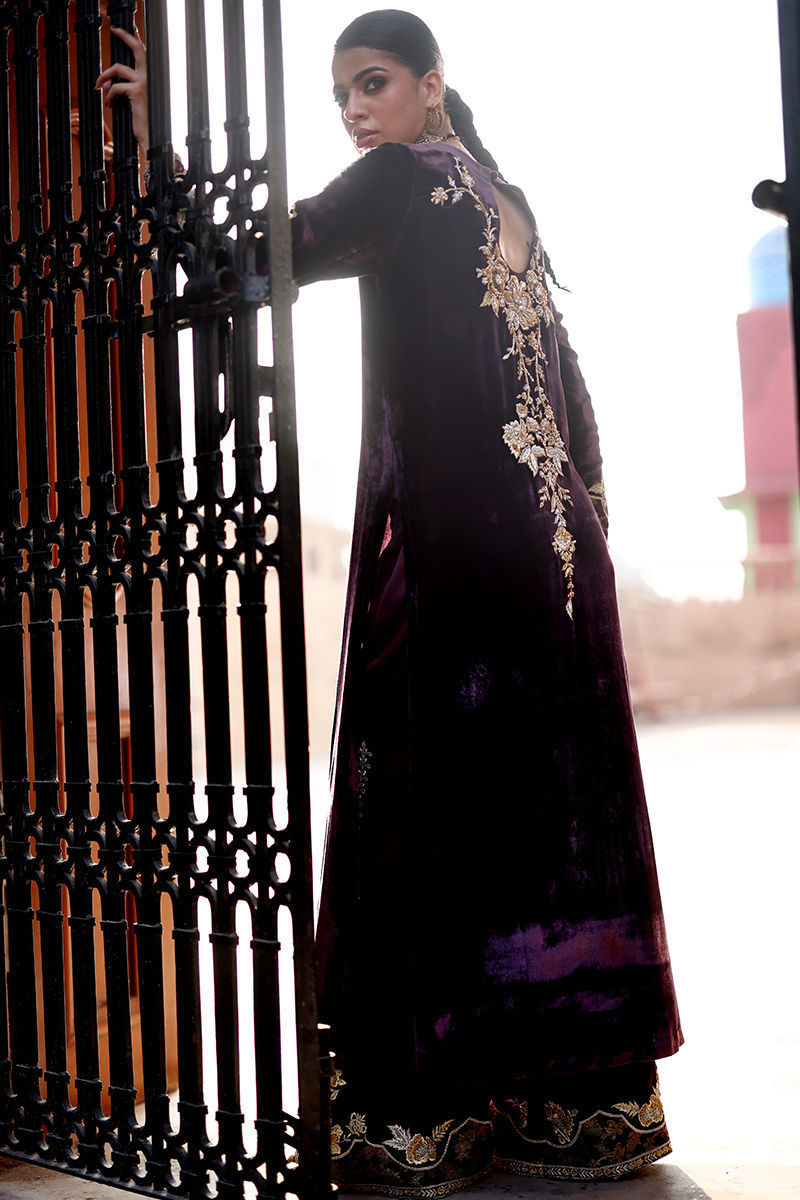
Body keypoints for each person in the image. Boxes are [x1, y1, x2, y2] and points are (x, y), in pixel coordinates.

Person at [98, 10, 682, 1196]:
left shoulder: (399, 180)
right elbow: (568, 386)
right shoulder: (506, 199)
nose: (356, 112)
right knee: (546, 818)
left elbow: (245, 262)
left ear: (430, 82)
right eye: (341, 97)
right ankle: (578, 1109)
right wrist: (584, 523)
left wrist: (154, 152)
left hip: (456, 549)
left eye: (371, 84)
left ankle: (426, 1114)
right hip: (558, 552)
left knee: (430, 802)